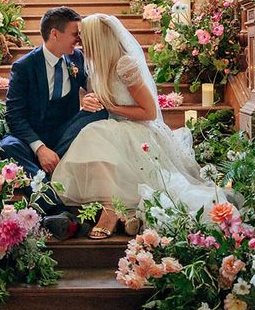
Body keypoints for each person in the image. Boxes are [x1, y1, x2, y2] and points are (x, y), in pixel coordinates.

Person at [51, 13, 228, 239]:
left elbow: (149, 112)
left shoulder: (124, 64)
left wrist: (112, 108)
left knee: (93, 134)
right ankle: (117, 209)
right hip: (112, 128)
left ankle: (112, 210)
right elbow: (90, 97)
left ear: (98, 40)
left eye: (85, 39)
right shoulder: (95, 65)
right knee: (94, 135)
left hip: (138, 128)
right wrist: (86, 100)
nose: (80, 45)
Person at [0, 6, 108, 238]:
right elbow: (14, 116)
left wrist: (90, 98)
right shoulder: (24, 66)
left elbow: (95, 88)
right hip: (33, 139)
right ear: (55, 34)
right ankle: (58, 209)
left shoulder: (76, 58)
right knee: (7, 146)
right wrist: (40, 149)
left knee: (100, 112)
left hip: (64, 135)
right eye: (75, 34)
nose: (79, 40)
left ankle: (45, 190)